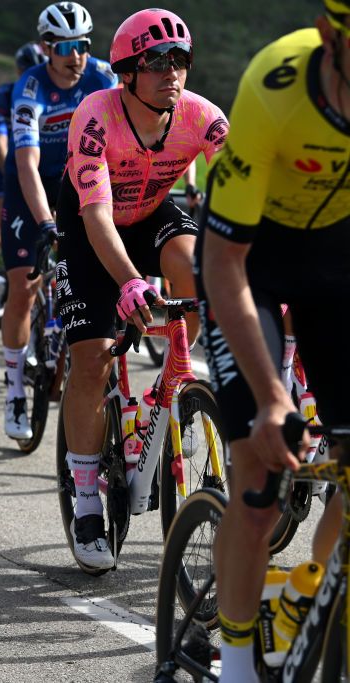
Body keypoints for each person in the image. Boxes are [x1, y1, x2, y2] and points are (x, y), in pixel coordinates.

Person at [198, 2, 350, 679]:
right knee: (258, 480)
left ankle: (307, 587)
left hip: (336, 263)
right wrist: (270, 398)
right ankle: (234, 660)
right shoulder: (275, 88)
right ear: (330, 38)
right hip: (250, 261)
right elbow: (223, 262)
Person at [55, 9, 227, 569]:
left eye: (180, 60)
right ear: (126, 72)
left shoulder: (201, 115)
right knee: (93, 360)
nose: (171, 71)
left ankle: (171, 385)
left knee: (197, 266)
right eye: (156, 62)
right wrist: (128, 281)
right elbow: (99, 216)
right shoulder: (96, 116)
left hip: (152, 211)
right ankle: (85, 498)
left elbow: (241, 196)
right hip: (90, 225)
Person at [0, 2, 117, 441]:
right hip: (30, 185)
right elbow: (26, 164)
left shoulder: (102, 75)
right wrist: (46, 221)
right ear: (46, 47)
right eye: (66, 47)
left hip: (76, 179)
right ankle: (13, 388)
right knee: (24, 285)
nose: (76, 56)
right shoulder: (29, 87)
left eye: (82, 45)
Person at [0, 42, 47, 313]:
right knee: (0, 209)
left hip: (29, 155)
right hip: (1, 157)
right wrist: (15, 177)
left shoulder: (45, 93)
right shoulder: (4, 94)